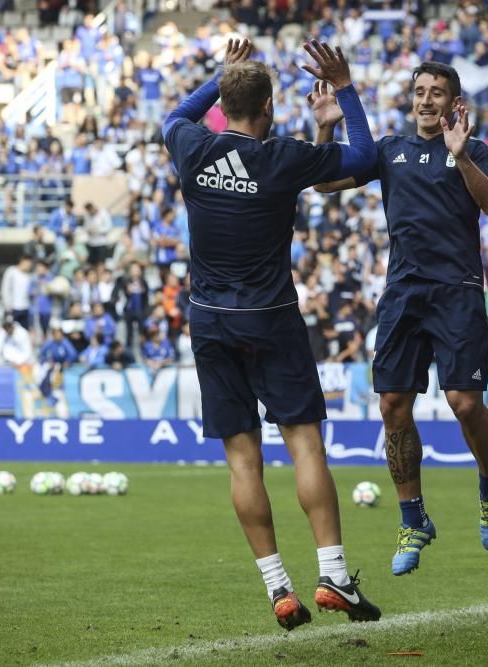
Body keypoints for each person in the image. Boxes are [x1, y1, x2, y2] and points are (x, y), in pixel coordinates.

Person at [162, 38, 381, 628]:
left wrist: (221, 74)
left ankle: (279, 588)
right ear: (268, 108)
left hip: (210, 322)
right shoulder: (282, 157)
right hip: (272, 319)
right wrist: (344, 90)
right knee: (305, 444)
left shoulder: (192, 148)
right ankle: (333, 575)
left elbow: (173, 117)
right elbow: (363, 160)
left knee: (243, 461)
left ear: (225, 104)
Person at [313, 61, 488, 576]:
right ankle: (412, 517)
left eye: (436, 93)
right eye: (420, 91)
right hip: (403, 294)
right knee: (393, 405)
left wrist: (461, 155)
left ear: (454, 102)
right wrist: (326, 128)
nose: (425, 100)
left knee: (465, 403)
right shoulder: (389, 151)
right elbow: (325, 183)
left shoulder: (474, 148)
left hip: (459, 293)